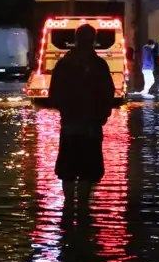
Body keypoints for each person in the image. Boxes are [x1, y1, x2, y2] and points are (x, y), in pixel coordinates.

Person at [48, 23, 115, 223]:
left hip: (70, 125)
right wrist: (102, 115)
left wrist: (65, 110)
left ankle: (68, 209)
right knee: (88, 169)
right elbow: (108, 93)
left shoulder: (64, 64)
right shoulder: (99, 65)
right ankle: (84, 211)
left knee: (68, 169)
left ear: (76, 39)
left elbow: (54, 95)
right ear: (93, 40)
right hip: (92, 126)